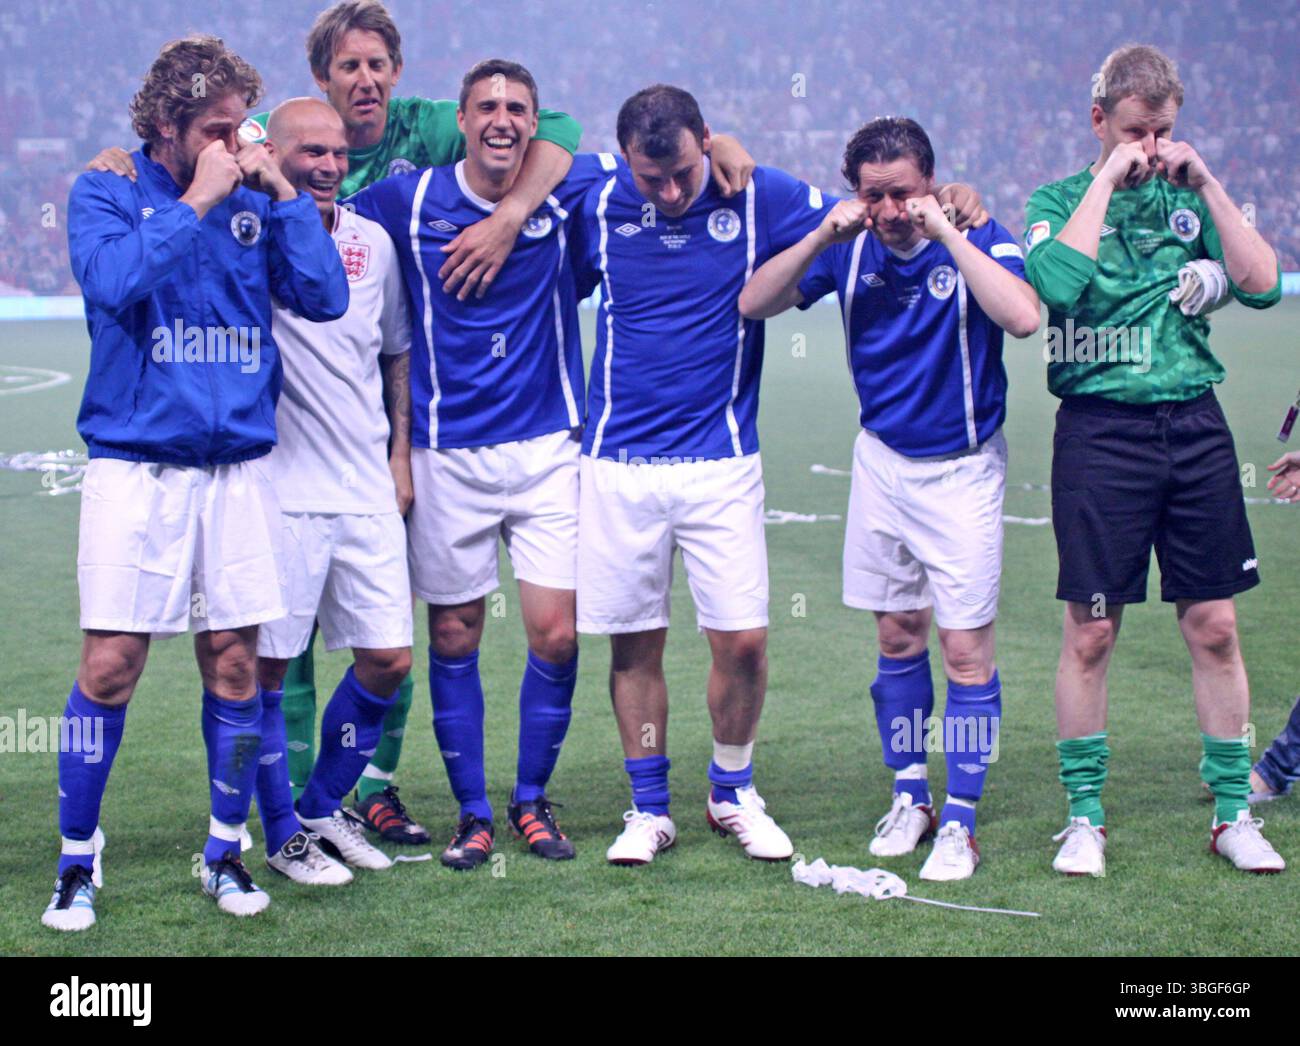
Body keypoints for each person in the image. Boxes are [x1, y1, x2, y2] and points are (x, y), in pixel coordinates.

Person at [569, 86, 989, 866]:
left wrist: (955, 196)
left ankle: (731, 790)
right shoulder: (592, 195)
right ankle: (648, 808)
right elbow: (529, 166)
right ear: (623, 158)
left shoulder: (759, 193)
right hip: (616, 463)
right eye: (648, 180)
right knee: (634, 648)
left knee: (746, 644)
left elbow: (877, 206)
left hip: (721, 458)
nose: (666, 194)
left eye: (682, 173)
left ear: (706, 141)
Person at [46, 35, 348, 932]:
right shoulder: (108, 188)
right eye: (217, 130)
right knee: (109, 667)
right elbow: (109, 280)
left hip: (240, 471)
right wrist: (194, 201)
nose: (236, 144)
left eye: (242, 128)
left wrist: (284, 193)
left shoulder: (260, 198)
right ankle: (75, 860)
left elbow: (326, 298)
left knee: (235, 664)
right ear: (167, 126)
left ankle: (224, 850)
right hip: (136, 468)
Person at [738, 117, 1038, 881]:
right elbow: (754, 302)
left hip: (963, 469)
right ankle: (911, 794)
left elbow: (1024, 316)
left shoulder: (975, 233)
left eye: (904, 191)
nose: (892, 208)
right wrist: (816, 241)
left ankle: (962, 821)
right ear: (857, 194)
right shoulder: (847, 248)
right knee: (898, 638)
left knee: (966, 653)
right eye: (876, 194)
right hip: (880, 463)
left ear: (929, 184)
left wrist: (951, 233)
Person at [347, 59, 617, 869]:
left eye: (518, 109)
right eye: (487, 107)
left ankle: (532, 800)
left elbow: (643, 155)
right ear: (459, 121)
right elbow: (315, 204)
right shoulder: (410, 199)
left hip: (546, 447)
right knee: (455, 634)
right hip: (446, 452)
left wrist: (729, 145)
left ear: (536, 123)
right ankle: (472, 812)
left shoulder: (565, 189)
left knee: (557, 635)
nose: (502, 120)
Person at [1023, 44, 1285, 876]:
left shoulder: (1189, 196)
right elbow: (1056, 291)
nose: (1151, 147)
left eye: (1163, 132)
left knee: (1214, 626)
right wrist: (1108, 178)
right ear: (1099, 121)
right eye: (1136, 131)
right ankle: (1086, 819)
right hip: (1101, 433)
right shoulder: (1060, 199)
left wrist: (1205, 186)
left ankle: (1234, 813)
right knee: (1093, 632)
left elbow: (1266, 283)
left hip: (1196, 428)